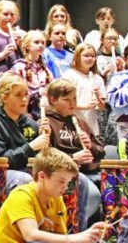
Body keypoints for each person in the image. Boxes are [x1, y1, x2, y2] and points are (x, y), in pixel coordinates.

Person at [0, 149, 109, 243]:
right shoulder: (21, 195)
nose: (65, 187)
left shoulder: (57, 199)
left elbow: (60, 240)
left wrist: (90, 236)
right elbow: (31, 236)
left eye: (68, 182)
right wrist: (80, 238)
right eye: (61, 181)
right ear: (42, 176)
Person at [43, 79, 104, 230]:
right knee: (93, 194)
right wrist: (73, 159)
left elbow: (101, 152)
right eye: (67, 100)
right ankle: (78, 232)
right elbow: (45, 157)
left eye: (74, 99)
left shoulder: (80, 122)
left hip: (88, 171)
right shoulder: (46, 122)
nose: (72, 103)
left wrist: (91, 146)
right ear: (53, 100)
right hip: (64, 174)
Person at [0, 74, 50, 193]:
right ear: (5, 98)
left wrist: (45, 145)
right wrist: (30, 147)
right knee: (23, 179)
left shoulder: (31, 124)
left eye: (26, 94)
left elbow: (40, 159)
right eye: (18, 95)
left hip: (26, 171)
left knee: (64, 177)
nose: (25, 99)